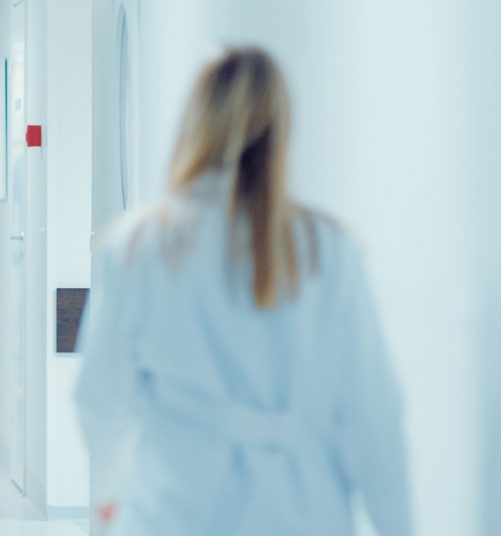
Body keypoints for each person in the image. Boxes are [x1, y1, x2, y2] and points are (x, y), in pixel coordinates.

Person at [73, 48, 410, 536]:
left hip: (174, 510)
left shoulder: (140, 246)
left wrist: (111, 492)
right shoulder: (325, 249)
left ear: (195, 126)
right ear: (282, 131)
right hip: (302, 513)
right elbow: (373, 417)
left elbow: (100, 397)